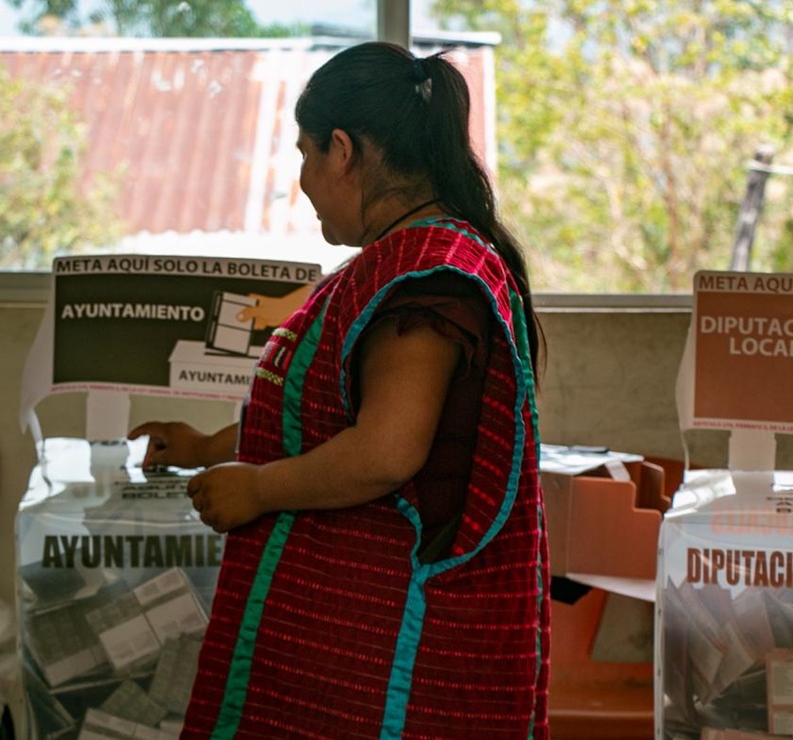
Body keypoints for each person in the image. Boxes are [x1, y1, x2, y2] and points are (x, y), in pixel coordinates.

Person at [129, 41, 549, 738]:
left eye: (304, 154)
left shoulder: (428, 275)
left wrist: (257, 490)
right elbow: (327, 414)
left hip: (392, 650)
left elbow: (386, 449)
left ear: (343, 151)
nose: (302, 179)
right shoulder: (395, 262)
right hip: (348, 628)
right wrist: (208, 448)